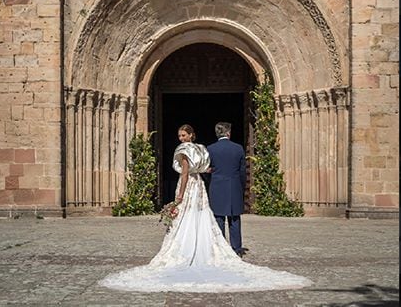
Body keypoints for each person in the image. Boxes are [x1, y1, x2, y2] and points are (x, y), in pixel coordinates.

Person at [99, 124, 312, 294]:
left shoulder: (186, 150)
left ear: (191, 135)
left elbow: (184, 174)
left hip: (190, 186)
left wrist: (179, 196)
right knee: (204, 218)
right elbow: (208, 168)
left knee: (189, 217)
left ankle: (188, 248)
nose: (181, 138)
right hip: (199, 185)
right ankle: (229, 249)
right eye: (180, 135)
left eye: (183, 135)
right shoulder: (202, 149)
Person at [207, 121, 245, 255]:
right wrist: (241, 186)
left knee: (219, 218)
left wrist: (209, 181)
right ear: (228, 133)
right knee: (234, 218)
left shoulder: (210, 149)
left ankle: (221, 248)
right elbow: (242, 171)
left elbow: (207, 168)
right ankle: (236, 249)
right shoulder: (238, 148)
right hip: (234, 185)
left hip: (217, 186)